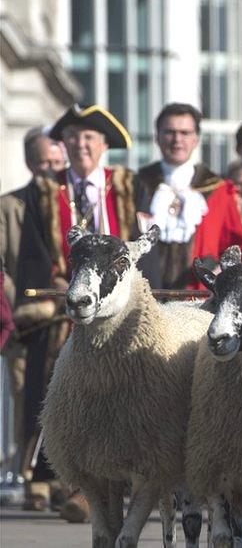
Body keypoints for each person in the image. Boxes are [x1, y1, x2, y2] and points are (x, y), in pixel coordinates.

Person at [16, 103, 141, 522]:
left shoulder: (124, 186)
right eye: (72, 138)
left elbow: (137, 251)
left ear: (104, 145)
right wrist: (54, 301)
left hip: (114, 311)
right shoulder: (45, 191)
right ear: (63, 145)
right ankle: (57, 477)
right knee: (51, 387)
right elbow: (32, 253)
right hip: (61, 307)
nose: (81, 145)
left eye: (89, 138)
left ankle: (106, 479)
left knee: (117, 393)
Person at [0, 129, 66, 503]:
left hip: (65, 322)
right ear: (29, 163)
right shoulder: (9, 206)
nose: (51, 170)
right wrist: (23, 303)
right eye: (44, 163)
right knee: (27, 397)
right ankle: (29, 476)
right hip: (27, 323)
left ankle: (59, 475)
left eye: (57, 164)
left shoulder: (70, 202)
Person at [135, 103, 242, 289]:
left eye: (185, 133)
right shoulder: (137, 185)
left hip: (199, 301)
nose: (177, 139)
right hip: (145, 297)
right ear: (157, 137)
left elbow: (239, 248)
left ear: (196, 139)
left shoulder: (218, 190)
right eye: (169, 132)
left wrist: (218, 273)